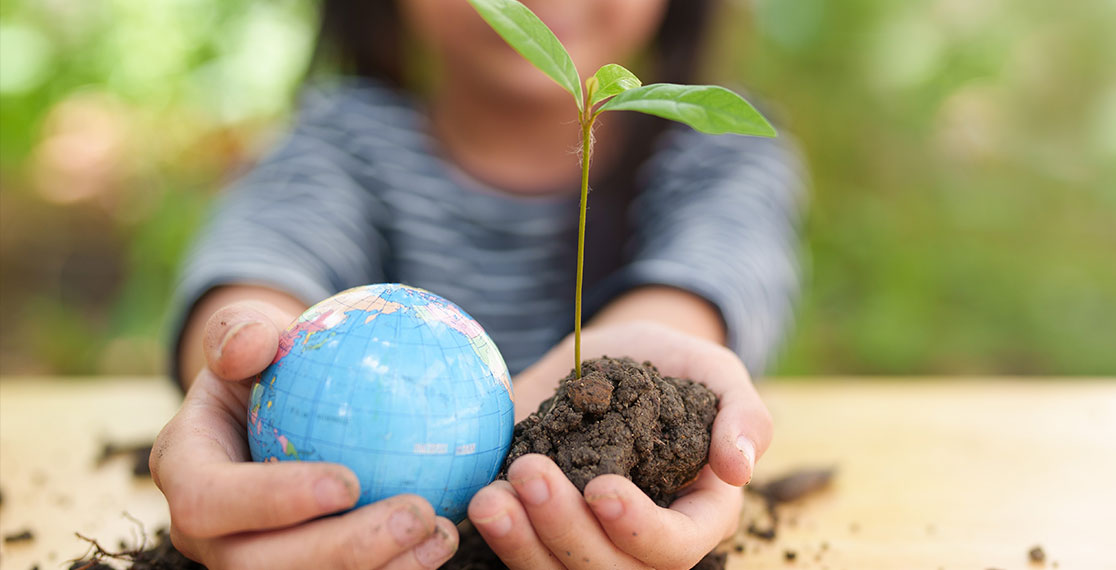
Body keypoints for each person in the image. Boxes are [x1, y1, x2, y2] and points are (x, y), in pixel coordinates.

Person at [150, 0, 805, 568]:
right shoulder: (341, 142)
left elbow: (702, 283)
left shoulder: (712, 154)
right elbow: (263, 263)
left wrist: (646, 371)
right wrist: (246, 358)